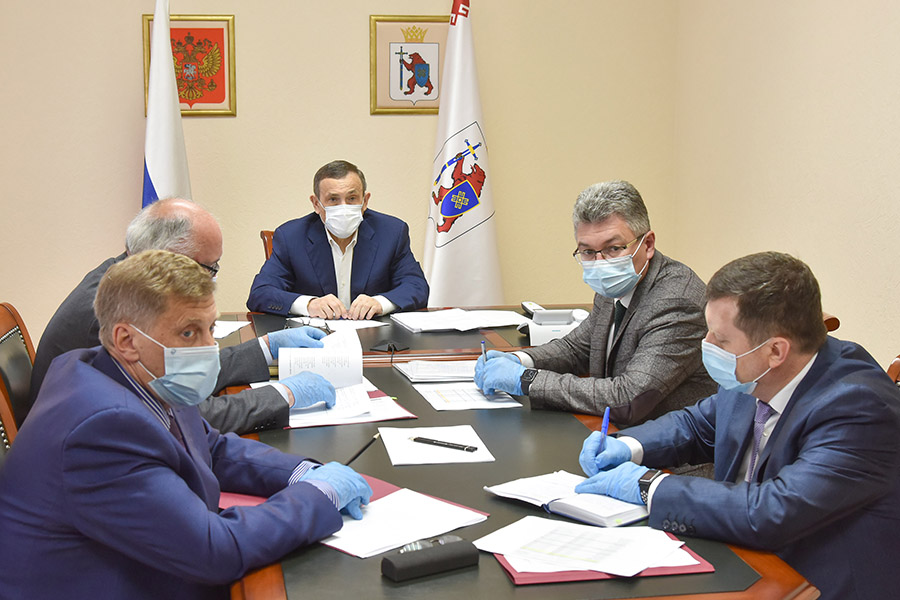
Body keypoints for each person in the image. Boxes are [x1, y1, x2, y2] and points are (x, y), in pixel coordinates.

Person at [0, 250, 372, 599]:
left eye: (210, 328)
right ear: (126, 339)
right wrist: (319, 495)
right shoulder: (101, 429)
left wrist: (300, 473)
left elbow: (211, 447)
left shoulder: (133, 372)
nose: (209, 348)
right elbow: (215, 552)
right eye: (189, 333)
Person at [575, 252, 900, 599]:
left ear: (776, 351)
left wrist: (648, 486)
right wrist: (628, 445)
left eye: (721, 339)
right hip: (743, 556)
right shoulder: (756, 371)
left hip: (813, 581)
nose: (707, 345)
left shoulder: (859, 408)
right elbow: (698, 424)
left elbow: (772, 511)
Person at [28, 198, 334, 435]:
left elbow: (181, 372)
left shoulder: (125, 279)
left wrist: (264, 348)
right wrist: (284, 394)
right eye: (210, 268)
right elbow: (187, 419)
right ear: (169, 259)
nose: (212, 279)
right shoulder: (113, 313)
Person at [475, 181, 716, 426]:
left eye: (614, 248)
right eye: (588, 252)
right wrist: (520, 360)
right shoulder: (616, 284)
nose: (600, 263)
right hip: (612, 430)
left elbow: (628, 398)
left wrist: (526, 379)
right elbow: (577, 348)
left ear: (648, 244)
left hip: (665, 446)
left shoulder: (677, 302)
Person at [246, 160, 429, 319]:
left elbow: (416, 287)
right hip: (314, 339)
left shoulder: (391, 232)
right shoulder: (291, 237)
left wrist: (380, 303)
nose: (344, 207)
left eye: (352, 198)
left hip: (376, 339)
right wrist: (309, 304)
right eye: (333, 199)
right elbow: (260, 293)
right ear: (316, 204)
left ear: (365, 201)